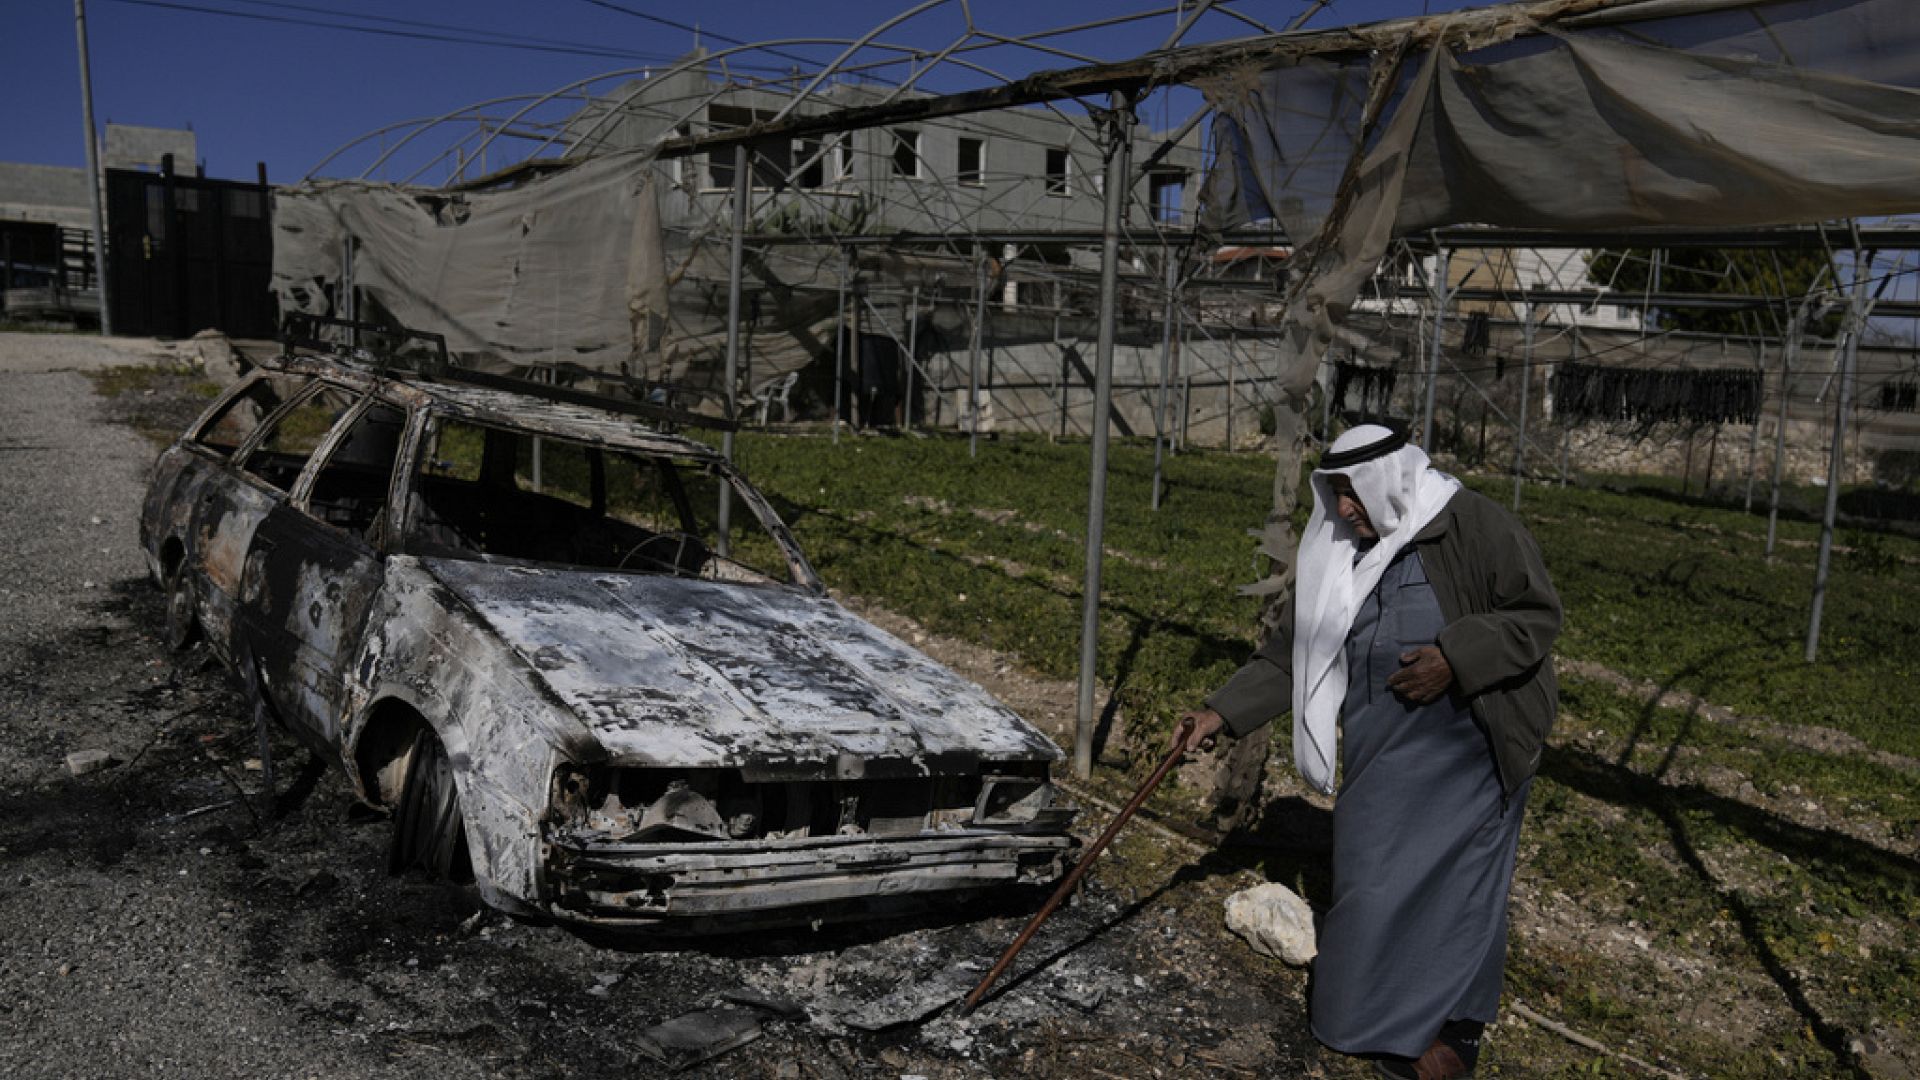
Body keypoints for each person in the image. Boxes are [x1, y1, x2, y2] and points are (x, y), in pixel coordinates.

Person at [1175, 423, 1561, 1080]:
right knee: (1373, 880)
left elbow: (1535, 617)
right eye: (1336, 492)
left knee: (1457, 891)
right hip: (1385, 751)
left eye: (1352, 492)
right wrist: (1219, 712)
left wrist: (1453, 657)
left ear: (1390, 480)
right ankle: (1373, 1014)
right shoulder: (1336, 552)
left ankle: (1446, 1031)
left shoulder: (1471, 525)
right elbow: (1291, 657)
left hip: (1467, 747)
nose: (1344, 508)